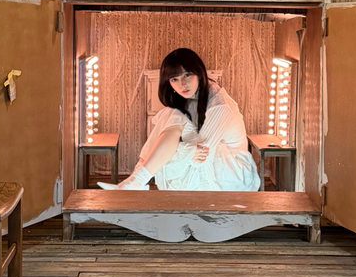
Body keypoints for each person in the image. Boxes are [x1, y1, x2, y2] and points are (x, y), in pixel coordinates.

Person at [99, 47, 260, 192]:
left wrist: (178, 151)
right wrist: (182, 151)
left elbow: (202, 153)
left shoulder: (220, 105)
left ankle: (137, 179)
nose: (182, 84)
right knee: (171, 114)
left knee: (173, 120)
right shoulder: (189, 100)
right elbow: (192, 150)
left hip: (231, 173)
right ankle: (136, 179)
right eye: (174, 79)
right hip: (209, 160)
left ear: (199, 73)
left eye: (187, 75)